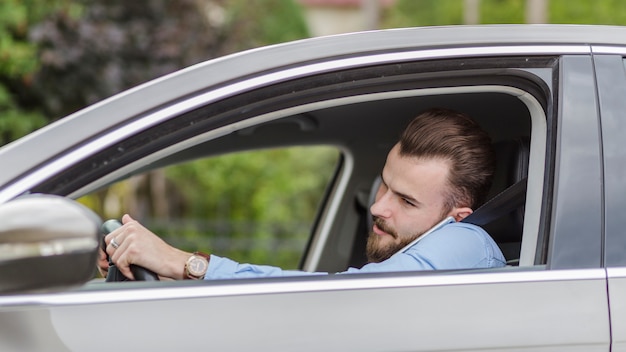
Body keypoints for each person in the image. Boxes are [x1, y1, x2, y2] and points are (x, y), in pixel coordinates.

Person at [98, 108, 506, 280]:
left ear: (457, 217)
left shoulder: (466, 244)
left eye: (407, 200)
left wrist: (182, 263)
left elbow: (341, 299)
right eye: (385, 183)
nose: (378, 205)